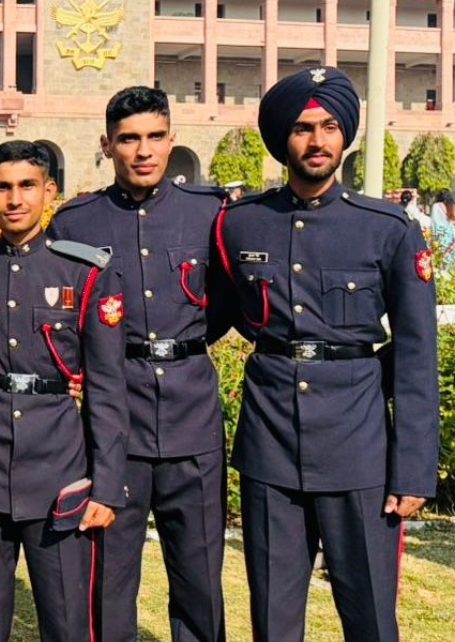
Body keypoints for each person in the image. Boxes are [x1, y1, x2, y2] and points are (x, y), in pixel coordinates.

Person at [214, 66, 439, 642]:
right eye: (302, 128)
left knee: (370, 617)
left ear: (345, 136)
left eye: (329, 127)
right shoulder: (241, 224)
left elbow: (416, 353)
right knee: (273, 617)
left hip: (358, 447)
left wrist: (412, 469)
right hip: (270, 445)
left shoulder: (386, 227)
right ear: (282, 138)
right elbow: (224, 310)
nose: (317, 141)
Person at [0, 141, 127, 641]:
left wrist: (107, 484)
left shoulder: (84, 272)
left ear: (49, 191)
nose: (15, 199)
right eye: (3, 188)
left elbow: (107, 386)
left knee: (66, 620)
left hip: (59, 468)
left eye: (27, 186)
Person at [47, 86, 229, 642]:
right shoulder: (76, 224)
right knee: (109, 576)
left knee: (199, 577)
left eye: (155, 136)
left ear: (172, 140)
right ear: (107, 145)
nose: (143, 151)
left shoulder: (208, 212)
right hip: (114, 423)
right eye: (128, 139)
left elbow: (224, 307)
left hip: (192, 418)